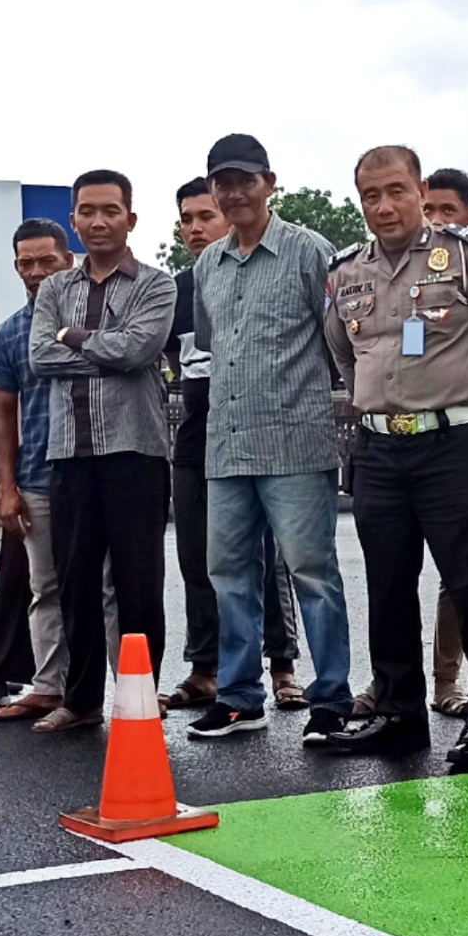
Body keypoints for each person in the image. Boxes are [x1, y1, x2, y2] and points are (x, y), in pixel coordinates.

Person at [319, 145, 468, 770]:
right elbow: (342, 350)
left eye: (396, 191)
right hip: (379, 447)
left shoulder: (466, 255)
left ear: (418, 189)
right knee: (387, 585)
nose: (384, 207)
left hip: (451, 444)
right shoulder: (345, 270)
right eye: (370, 196)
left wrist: (462, 404)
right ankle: (398, 711)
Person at [185, 134, 357, 743]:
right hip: (226, 445)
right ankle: (237, 697)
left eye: (245, 180)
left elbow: (340, 337)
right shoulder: (207, 263)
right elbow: (209, 343)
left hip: (294, 441)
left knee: (313, 573)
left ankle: (332, 699)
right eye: (222, 182)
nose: (234, 192)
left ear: (270, 182)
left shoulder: (311, 252)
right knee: (228, 574)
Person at [26, 172, 177, 734]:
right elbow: (40, 357)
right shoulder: (55, 289)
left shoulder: (156, 285)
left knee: (139, 584)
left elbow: (139, 351)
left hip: (134, 450)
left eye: (110, 210)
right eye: (86, 211)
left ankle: (139, 695)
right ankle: (82, 698)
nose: (97, 221)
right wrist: (100, 350)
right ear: (73, 220)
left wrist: (74, 338)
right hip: (69, 453)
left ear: (131, 219)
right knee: (76, 579)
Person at [164, 180, 302, 712]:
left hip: (260, 433)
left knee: (267, 558)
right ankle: (205, 668)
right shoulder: (175, 290)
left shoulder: (259, 274)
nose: (196, 228)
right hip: (198, 437)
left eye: (206, 215)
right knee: (200, 560)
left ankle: (283, 666)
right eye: (187, 219)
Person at [0, 221, 72, 724]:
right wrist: (6, 487)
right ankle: (48, 687)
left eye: (47, 261)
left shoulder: (92, 319)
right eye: (26, 263)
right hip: (37, 478)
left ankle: (123, 691)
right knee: (46, 587)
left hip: (91, 474)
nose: (36, 272)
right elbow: (4, 417)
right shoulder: (10, 333)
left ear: (68, 261)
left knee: (104, 589)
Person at [420, 164, 468, 711]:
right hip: (407, 438)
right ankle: (420, 684)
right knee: (413, 571)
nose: (437, 221)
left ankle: (460, 681)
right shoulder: (404, 274)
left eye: (448, 212)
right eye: (429, 210)